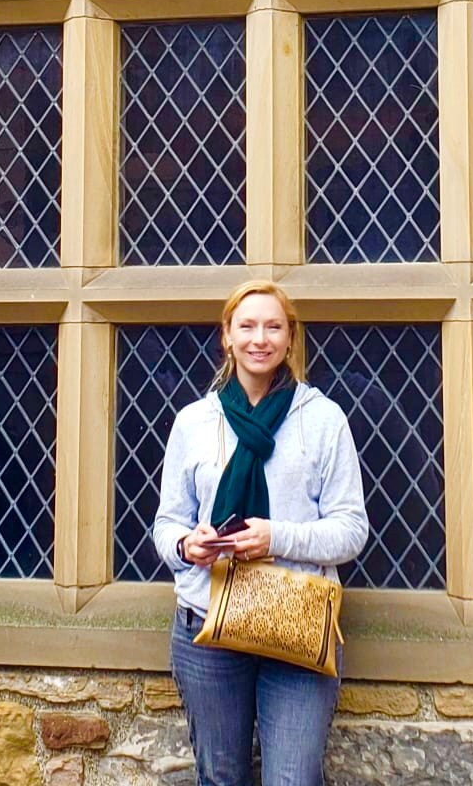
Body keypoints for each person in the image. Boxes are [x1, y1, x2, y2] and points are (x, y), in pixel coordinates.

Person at [153, 280, 368, 786]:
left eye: (273, 327)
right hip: (206, 621)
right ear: (227, 335)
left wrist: (277, 538)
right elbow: (167, 524)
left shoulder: (323, 420)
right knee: (221, 776)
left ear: (290, 338)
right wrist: (187, 546)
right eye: (247, 326)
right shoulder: (193, 423)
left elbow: (351, 529)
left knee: (292, 778)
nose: (260, 338)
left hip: (295, 619)